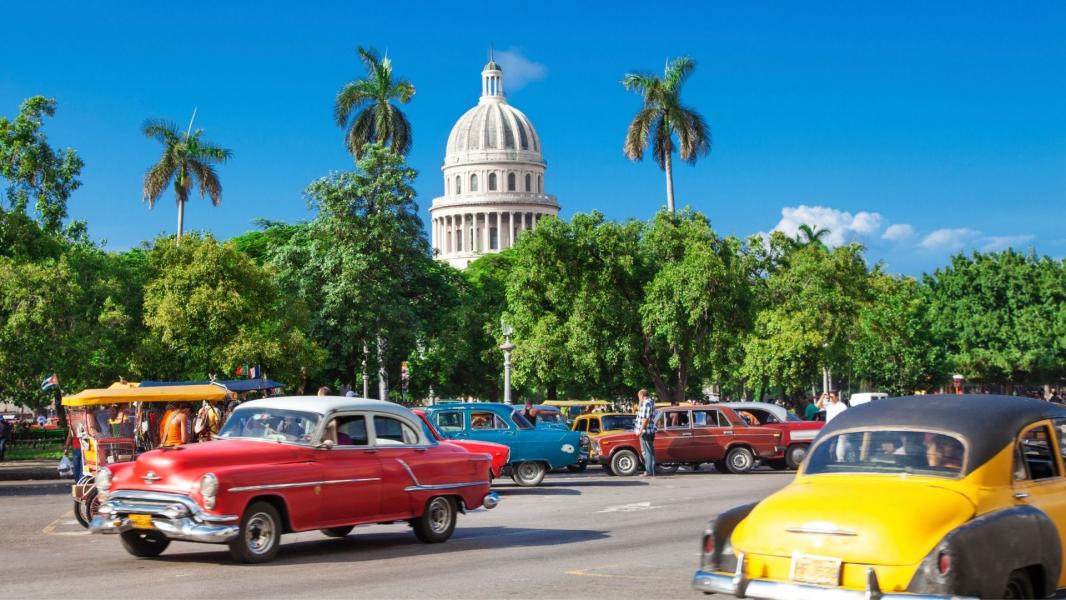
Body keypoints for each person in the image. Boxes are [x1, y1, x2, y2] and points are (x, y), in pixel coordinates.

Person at [634, 389, 657, 477]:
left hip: (646, 431)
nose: (638, 398)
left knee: (647, 452)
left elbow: (645, 419)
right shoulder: (651, 402)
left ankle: (649, 471)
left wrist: (640, 431)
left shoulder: (646, 403)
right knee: (650, 451)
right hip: (649, 430)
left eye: (639, 396)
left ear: (642, 395)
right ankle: (652, 470)